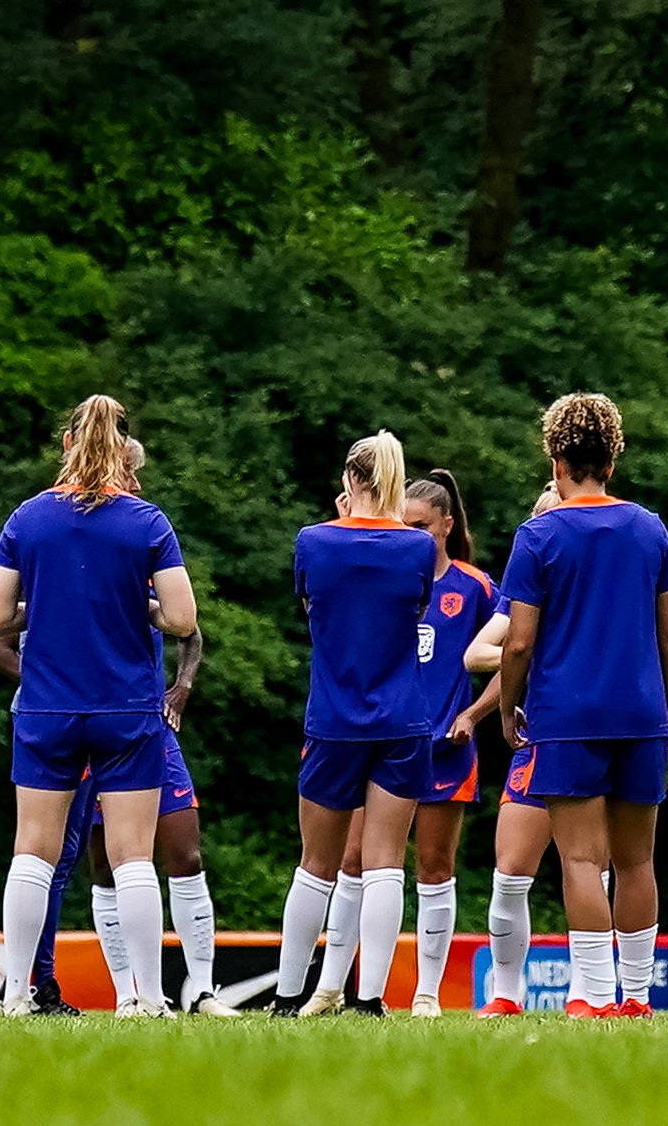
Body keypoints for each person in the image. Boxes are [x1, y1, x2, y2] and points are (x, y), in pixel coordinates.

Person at [0, 393, 200, 1016]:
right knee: (132, 855)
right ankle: (150, 999)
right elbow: (183, 619)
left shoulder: (27, 518)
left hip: (48, 706)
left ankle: (17, 996)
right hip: (125, 707)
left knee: (33, 849)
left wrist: (46, 605)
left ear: (66, 445)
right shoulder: (147, 521)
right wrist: (141, 606)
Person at [485, 389, 668, 1020]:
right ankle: (635, 999)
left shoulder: (540, 532)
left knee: (580, 858)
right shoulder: (649, 526)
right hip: (641, 712)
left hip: (567, 714)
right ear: (612, 457)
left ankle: (596, 997)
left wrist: (506, 708)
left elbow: (517, 642)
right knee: (637, 860)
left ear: (556, 460)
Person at [288, 430, 448, 1012]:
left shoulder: (313, 540)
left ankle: (288, 992)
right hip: (404, 718)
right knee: (386, 862)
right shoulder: (416, 548)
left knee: (316, 864)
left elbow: (313, 609)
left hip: (334, 718)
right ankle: (372, 997)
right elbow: (416, 607)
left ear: (349, 480)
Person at [394, 473, 497, 1013]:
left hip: (444, 749)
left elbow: (521, 650)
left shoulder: (474, 587)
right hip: (383, 743)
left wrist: (475, 713)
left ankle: (427, 993)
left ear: (447, 526)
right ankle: (357, 989)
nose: (412, 535)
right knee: (360, 864)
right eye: (403, 524)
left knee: (434, 868)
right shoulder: (384, 576)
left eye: (422, 527)